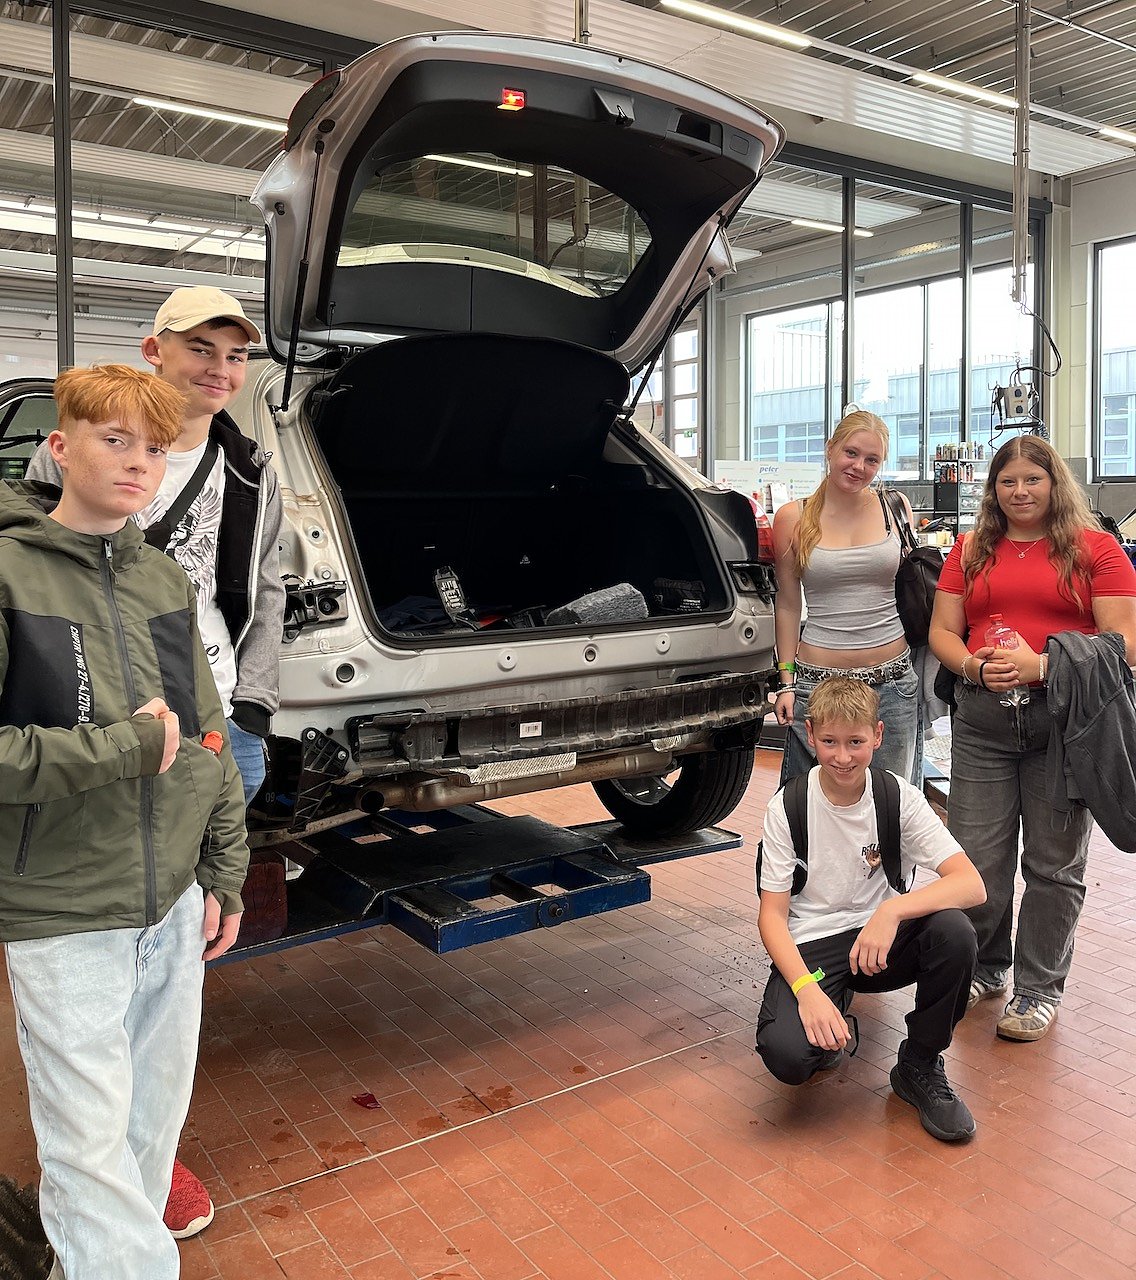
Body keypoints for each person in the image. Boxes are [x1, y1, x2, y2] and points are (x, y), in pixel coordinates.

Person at [26, 285, 285, 1237]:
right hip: (96, 724)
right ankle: (94, 1155)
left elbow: (265, 585)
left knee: (182, 938)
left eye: (235, 354)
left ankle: (149, 1142)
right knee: (89, 946)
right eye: (201, 348)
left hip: (212, 716)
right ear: (155, 350)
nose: (220, 368)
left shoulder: (248, 467)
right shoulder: (80, 450)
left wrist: (250, 706)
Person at [1, 365, 249, 1280]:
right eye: (114, 440)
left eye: (153, 446)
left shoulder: (162, 581)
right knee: (88, 1147)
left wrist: (223, 868)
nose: (139, 462)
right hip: (64, 910)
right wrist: (119, 750)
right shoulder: (8, 571)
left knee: (149, 1126)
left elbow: (210, 733)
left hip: (172, 903)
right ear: (58, 447)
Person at [929, 435, 1136, 1042]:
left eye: (1033, 479)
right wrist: (972, 667)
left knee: (1053, 865)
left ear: (1055, 483)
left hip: (1065, 726)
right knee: (977, 859)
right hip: (982, 725)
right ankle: (984, 967)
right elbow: (943, 631)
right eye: (1007, 481)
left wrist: (1043, 666)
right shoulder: (970, 549)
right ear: (993, 489)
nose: (1020, 491)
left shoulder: (1096, 549)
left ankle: (1039, 987)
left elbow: (1125, 644)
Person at [756, 676, 985, 1143]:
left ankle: (919, 1064)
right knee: (787, 1057)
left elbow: (971, 884)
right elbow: (772, 916)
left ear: (878, 736)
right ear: (810, 734)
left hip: (880, 944)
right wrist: (806, 990)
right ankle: (831, 1013)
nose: (843, 757)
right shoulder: (788, 807)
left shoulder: (898, 797)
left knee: (955, 932)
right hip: (816, 944)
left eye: (855, 742)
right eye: (830, 742)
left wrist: (891, 912)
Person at [772, 410, 921, 787]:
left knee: (890, 804)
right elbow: (788, 604)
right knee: (810, 806)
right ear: (830, 449)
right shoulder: (793, 517)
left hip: (892, 683)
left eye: (872, 460)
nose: (859, 467)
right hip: (816, 685)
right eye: (851, 453)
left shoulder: (895, 508)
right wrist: (786, 681)